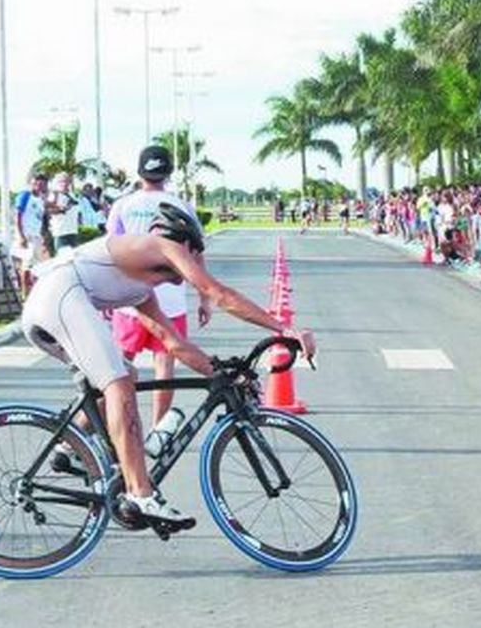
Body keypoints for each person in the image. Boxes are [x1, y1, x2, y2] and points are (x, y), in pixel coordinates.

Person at [20, 202, 316, 529]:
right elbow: (216, 292)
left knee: (125, 375)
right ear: (184, 244)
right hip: (59, 297)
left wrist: (219, 374)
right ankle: (140, 493)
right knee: (118, 383)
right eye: (196, 254)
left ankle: (70, 446)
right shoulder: (163, 245)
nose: (195, 263)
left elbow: (174, 344)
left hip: (53, 303)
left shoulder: (141, 291)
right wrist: (283, 329)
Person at [108, 145, 210, 426]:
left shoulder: (123, 205)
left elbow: (112, 251)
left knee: (118, 366)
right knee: (165, 362)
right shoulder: (180, 206)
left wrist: (107, 297)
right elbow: (197, 254)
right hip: (170, 299)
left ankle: (114, 425)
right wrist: (205, 298)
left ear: (140, 172)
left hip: (129, 299)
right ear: (168, 173)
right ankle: (158, 428)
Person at [13, 173, 50, 294]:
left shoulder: (41, 199)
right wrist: (21, 235)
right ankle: (25, 294)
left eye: (42, 184)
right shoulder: (25, 195)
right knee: (26, 266)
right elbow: (17, 215)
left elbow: (42, 219)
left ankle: (36, 292)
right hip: (27, 235)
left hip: (37, 236)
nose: (39, 186)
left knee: (39, 266)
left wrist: (44, 236)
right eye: (37, 183)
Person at [48, 172, 82, 251]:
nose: (64, 183)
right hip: (61, 233)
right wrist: (61, 210)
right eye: (61, 181)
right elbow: (48, 210)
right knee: (63, 260)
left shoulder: (72, 195)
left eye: (66, 181)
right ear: (57, 182)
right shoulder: (55, 194)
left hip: (73, 232)